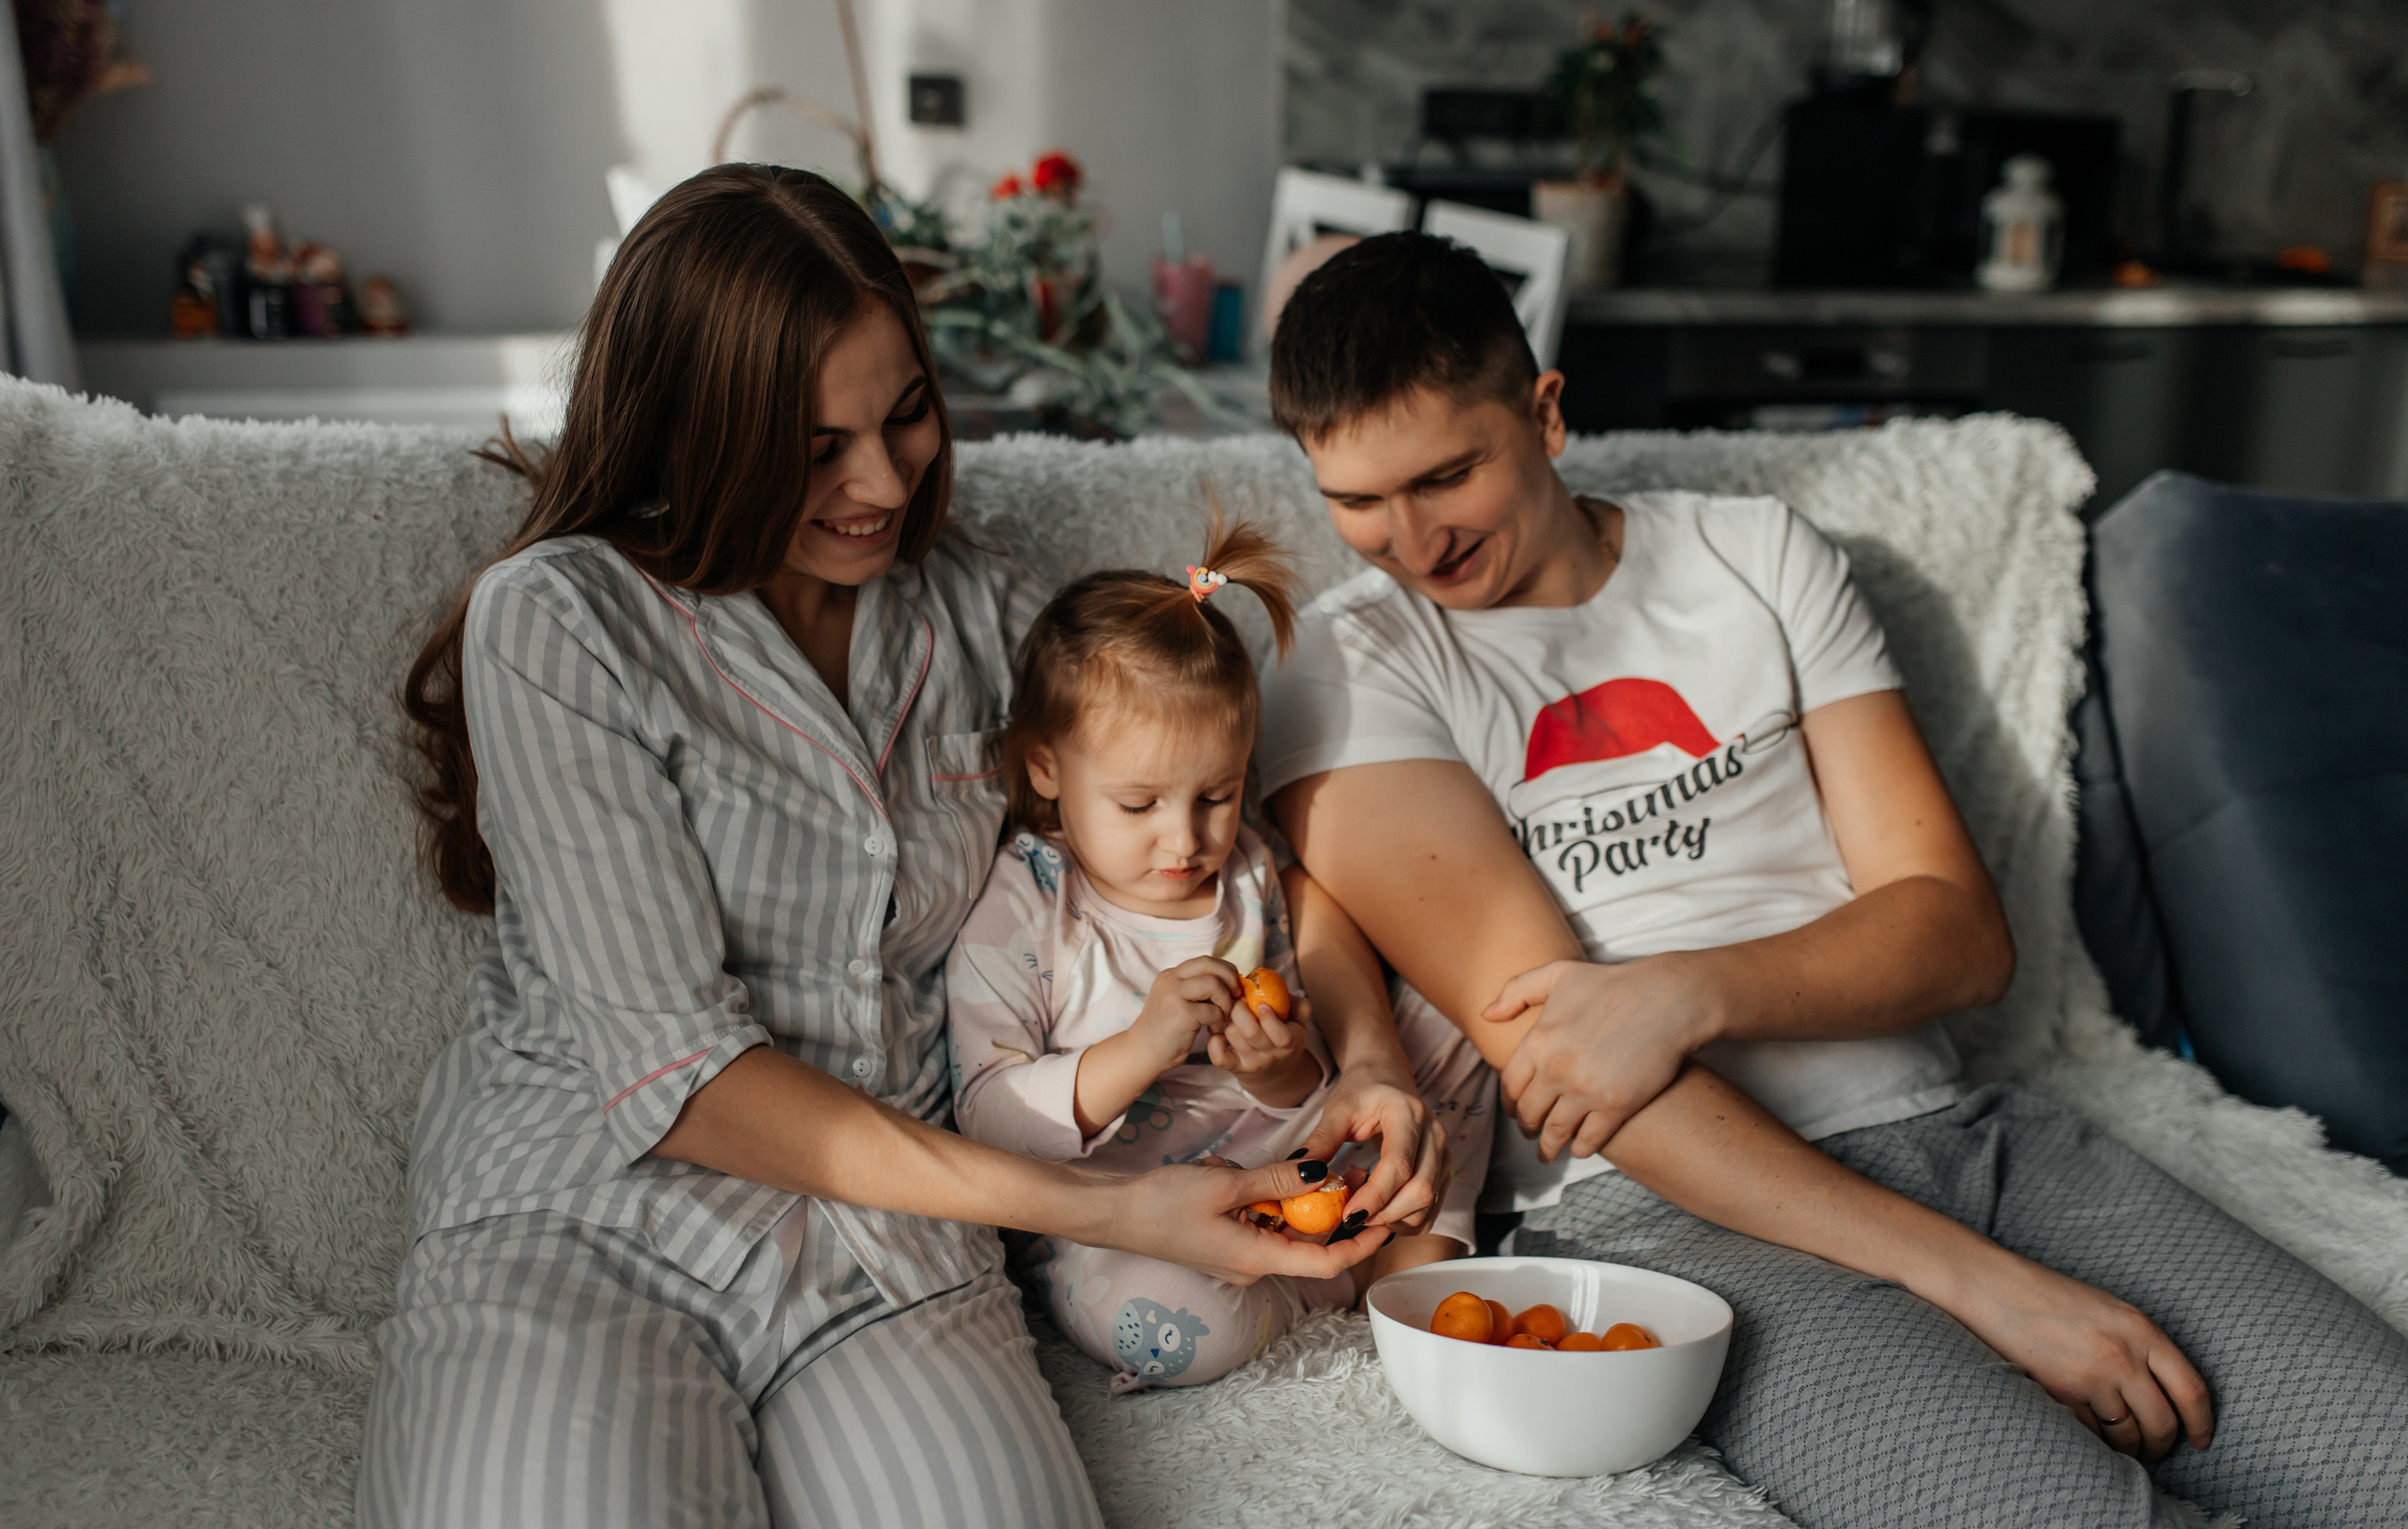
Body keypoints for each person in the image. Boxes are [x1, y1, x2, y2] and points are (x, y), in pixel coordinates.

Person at [1258, 231, 2408, 1529]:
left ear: (1547, 411)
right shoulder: (1348, 671)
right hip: (1670, 1217)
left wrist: (1685, 993)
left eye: (1447, 475)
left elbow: (1961, 935)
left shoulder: (1755, 554)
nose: (1408, 540)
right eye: (1355, 500)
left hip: (1965, 1137)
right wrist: (1988, 1288)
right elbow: (1572, 1066)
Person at [358, 167, 1446, 1529]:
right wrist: (1121, 1211)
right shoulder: (562, 623)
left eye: (906, 413)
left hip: (891, 1252)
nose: (881, 481)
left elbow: (1260, 869)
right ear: (695, 432)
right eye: (817, 447)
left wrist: (1368, 1058)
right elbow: (684, 1081)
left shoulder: (979, 623)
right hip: (587, 1215)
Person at [944, 515, 1493, 1394]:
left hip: (1288, 1153)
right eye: (1138, 803)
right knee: (1165, 1323)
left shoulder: (1248, 870)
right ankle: (1335, 1279)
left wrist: (1280, 1070)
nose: (1185, 838)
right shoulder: (1028, 907)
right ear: (1046, 768)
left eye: (1217, 794)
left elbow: (1305, 1079)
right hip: (1125, 1214)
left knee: (1456, 1013)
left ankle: (1409, 1244)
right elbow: (987, 1116)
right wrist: (1138, 1049)